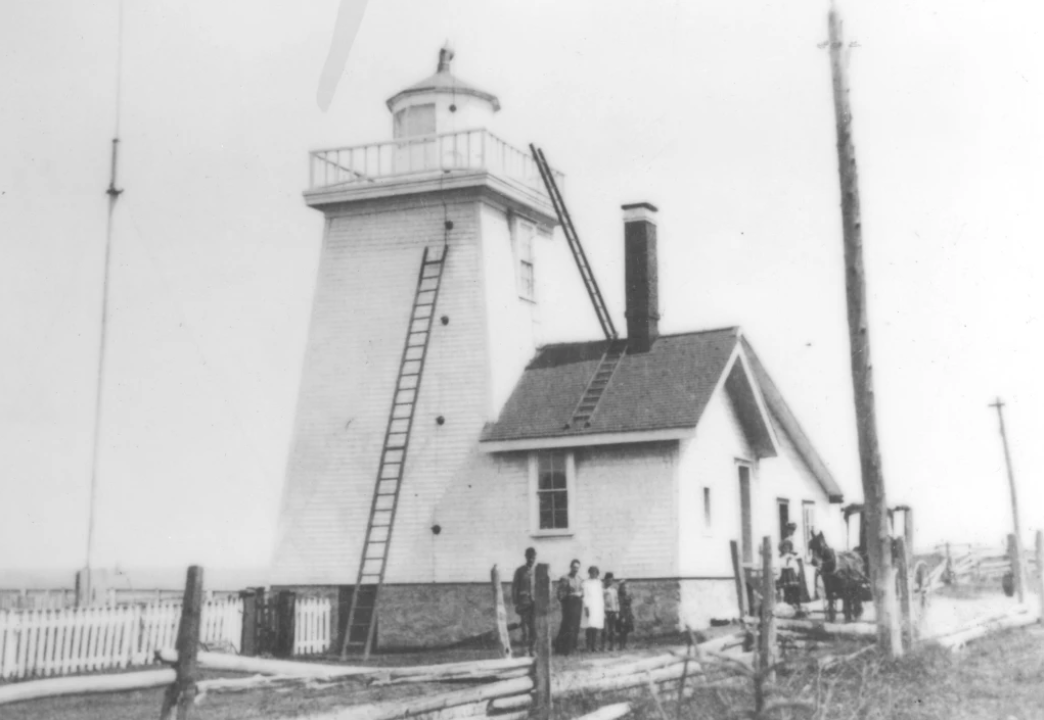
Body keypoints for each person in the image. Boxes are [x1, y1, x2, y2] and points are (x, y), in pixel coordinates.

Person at [511, 547, 537, 656]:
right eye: (529, 557)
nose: (531, 560)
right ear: (526, 557)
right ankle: (525, 650)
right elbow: (515, 587)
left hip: (535, 604)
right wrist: (516, 602)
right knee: (525, 628)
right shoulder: (520, 571)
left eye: (533, 557)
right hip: (524, 603)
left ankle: (533, 649)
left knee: (534, 628)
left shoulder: (537, 571)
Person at [555, 559, 584, 655]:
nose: (575, 569)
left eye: (577, 568)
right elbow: (560, 593)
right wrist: (570, 595)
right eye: (574, 567)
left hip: (578, 605)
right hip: (569, 605)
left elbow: (583, 592)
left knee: (576, 626)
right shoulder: (565, 578)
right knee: (567, 626)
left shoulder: (579, 579)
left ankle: (573, 647)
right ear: (571, 567)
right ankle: (562, 648)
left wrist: (580, 594)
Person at [582, 566, 604, 652]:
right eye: (592, 572)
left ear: (597, 573)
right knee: (589, 627)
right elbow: (585, 596)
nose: (593, 574)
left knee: (595, 627)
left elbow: (600, 596)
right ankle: (588, 646)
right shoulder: (585, 583)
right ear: (589, 573)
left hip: (597, 607)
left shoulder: (599, 583)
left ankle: (594, 646)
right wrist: (586, 607)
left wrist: (601, 608)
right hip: (589, 606)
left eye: (595, 572)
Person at [602, 572, 620, 651]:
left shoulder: (614, 590)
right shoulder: (602, 590)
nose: (609, 582)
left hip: (613, 611)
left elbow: (616, 601)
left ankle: (612, 646)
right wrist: (602, 612)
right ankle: (604, 646)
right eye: (608, 580)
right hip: (605, 611)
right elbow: (601, 601)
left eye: (611, 580)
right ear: (605, 580)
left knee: (612, 630)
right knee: (605, 630)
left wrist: (617, 612)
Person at [617, 578, 634, 650]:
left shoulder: (627, 595)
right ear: (620, 588)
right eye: (623, 587)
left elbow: (629, 605)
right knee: (622, 630)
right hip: (622, 614)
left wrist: (631, 614)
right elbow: (620, 606)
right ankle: (621, 645)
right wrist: (622, 616)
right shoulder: (619, 596)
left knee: (626, 630)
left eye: (626, 587)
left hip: (628, 614)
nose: (625, 589)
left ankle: (625, 645)